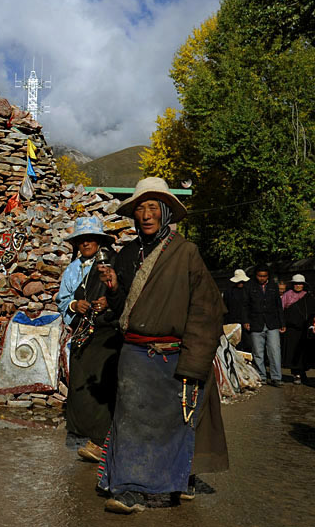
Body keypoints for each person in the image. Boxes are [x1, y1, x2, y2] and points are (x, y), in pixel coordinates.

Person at [96, 177, 228, 514]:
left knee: (175, 424)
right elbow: (126, 309)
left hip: (173, 353)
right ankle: (130, 489)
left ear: (166, 212)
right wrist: (112, 289)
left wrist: (194, 362)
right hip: (135, 355)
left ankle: (177, 479)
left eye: (153, 207)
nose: (146, 214)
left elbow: (205, 309)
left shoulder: (186, 253)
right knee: (130, 424)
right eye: (140, 208)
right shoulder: (127, 255)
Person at [56, 217, 121, 464]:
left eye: (91, 239)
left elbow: (123, 291)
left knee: (105, 384)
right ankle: (88, 433)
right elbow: (62, 299)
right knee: (82, 386)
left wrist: (109, 300)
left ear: (100, 241)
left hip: (108, 333)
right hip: (83, 333)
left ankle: (101, 440)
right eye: (82, 240)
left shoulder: (111, 264)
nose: (86, 243)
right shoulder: (72, 269)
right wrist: (74, 304)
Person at [242, 265, 286, 386]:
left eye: (264, 276)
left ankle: (276, 377)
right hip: (256, 322)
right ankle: (261, 376)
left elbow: (279, 306)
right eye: (260, 276)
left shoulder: (273, 286)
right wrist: (246, 321)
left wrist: (282, 323)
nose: (262, 278)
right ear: (256, 275)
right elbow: (245, 305)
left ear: (268, 276)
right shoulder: (249, 286)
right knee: (258, 351)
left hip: (272, 323)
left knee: (275, 350)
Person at [281, 274, 315, 384]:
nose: (298, 286)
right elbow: (281, 310)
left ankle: (302, 372)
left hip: (305, 329)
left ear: (304, 285)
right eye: (296, 284)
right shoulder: (287, 295)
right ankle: (296, 374)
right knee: (292, 351)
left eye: (300, 284)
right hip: (291, 329)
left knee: (304, 352)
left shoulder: (308, 296)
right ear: (292, 285)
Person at [223, 269, 250, 351]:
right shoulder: (229, 292)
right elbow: (225, 307)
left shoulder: (248, 291)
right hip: (233, 321)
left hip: (246, 322)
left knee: (248, 344)